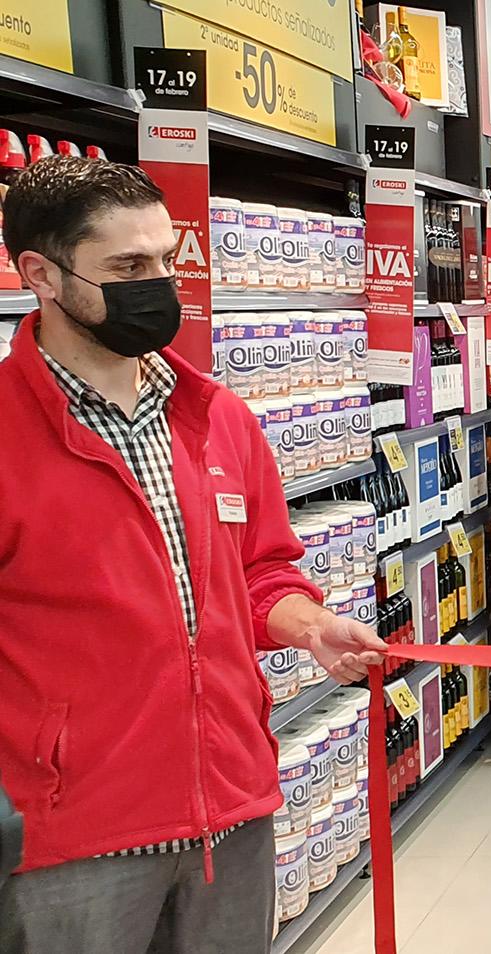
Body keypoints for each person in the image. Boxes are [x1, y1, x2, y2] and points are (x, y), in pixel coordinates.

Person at [0, 155, 388, 954]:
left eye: (167, 260)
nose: (161, 284)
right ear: (39, 273)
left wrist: (308, 624)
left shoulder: (216, 417)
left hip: (233, 810)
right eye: (128, 266)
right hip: (76, 839)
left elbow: (261, 572)